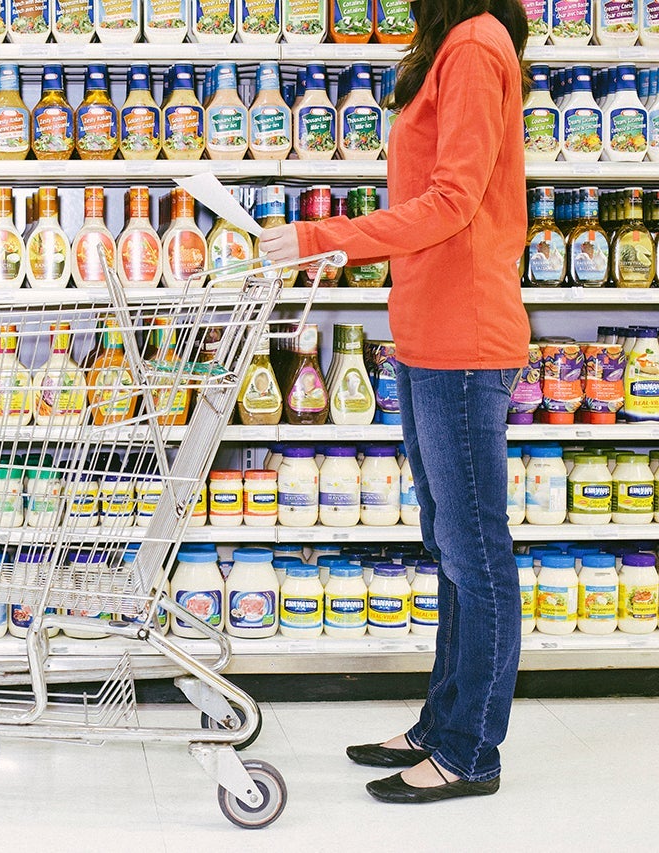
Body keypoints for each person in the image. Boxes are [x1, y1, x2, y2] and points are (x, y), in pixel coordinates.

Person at [260, 0, 532, 804]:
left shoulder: (477, 45)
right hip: (424, 333)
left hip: (466, 336)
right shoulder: (446, 41)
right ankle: (442, 721)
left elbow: (453, 201)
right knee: (449, 542)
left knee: (476, 551)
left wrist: (323, 237)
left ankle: (470, 749)